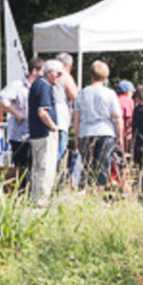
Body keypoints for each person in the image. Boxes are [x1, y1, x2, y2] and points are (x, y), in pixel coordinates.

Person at [74, 61, 122, 190]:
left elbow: (76, 117)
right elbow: (117, 116)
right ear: (106, 76)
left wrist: (77, 136)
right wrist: (120, 136)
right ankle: (100, 193)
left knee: (88, 166)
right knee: (103, 167)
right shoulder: (110, 93)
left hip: (86, 132)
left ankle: (88, 192)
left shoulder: (82, 93)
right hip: (105, 131)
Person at [0, 58, 40, 188]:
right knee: (21, 168)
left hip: (34, 134)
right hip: (19, 135)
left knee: (33, 167)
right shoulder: (17, 85)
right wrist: (16, 113)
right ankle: (21, 194)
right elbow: (0, 99)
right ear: (34, 71)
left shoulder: (38, 87)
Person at [28, 60, 63, 206]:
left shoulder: (36, 84)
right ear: (50, 73)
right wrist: (53, 126)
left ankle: (36, 197)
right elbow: (42, 111)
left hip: (35, 132)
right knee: (46, 167)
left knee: (37, 167)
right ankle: (41, 200)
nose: (60, 78)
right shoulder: (44, 86)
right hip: (44, 133)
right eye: (58, 74)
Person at [53, 53, 80, 189]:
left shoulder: (46, 75)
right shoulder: (65, 76)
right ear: (69, 66)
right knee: (60, 151)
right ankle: (57, 183)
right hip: (61, 119)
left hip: (47, 117)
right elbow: (76, 98)